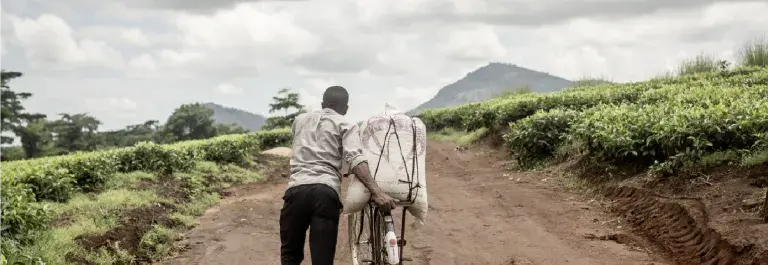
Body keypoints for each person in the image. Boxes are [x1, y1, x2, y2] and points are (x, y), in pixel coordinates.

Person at [280, 86, 398, 265]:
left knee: (290, 256)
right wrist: (377, 192)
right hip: (325, 194)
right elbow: (355, 159)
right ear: (346, 109)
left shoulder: (299, 120)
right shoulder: (346, 124)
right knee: (322, 259)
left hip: (296, 192)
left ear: (322, 104)